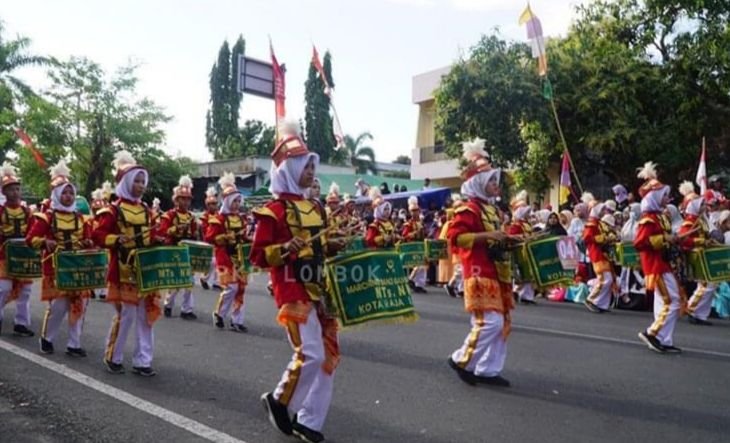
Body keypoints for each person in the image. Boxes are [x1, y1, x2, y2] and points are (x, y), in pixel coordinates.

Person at [250, 120, 345, 443]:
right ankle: (279, 400)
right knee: (312, 353)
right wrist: (284, 249)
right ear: (289, 168)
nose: (310, 172)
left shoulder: (317, 206)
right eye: (305, 166)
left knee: (328, 355)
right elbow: (259, 255)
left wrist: (332, 244)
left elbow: (318, 246)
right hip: (292, 287)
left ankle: (310, 421)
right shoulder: (272, 211)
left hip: (321, 286)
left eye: (312, 166)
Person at [446, 138, 512, 388]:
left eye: (495, 180)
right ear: (480, 183)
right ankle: (461, 359)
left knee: (501, 323)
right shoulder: (468, 209)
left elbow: (495, 238)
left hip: (497, 269)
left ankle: (488, 370)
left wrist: (508, 240)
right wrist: (488, 236)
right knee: (490, 322)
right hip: (478, 270)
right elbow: (455, 238)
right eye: (491, 181)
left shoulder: (492, 210)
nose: (496, 185)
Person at [93, 151, 161, 376]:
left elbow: (151, 236)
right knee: (128, 315)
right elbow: (98, 235)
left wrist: (158, 240)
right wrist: (116, 239)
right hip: (123, 271)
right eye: (136, 181)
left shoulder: (146, 210)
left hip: (145, 269)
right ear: (126, 183)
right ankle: (114, 355)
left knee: (146, 315)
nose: (141, 185)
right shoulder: (112, 210)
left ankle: (143, 361)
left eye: (143, 181)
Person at [27, 160, 93, 356]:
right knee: (59, 306)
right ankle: (47, 338)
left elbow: (88, 238)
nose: (68, 196)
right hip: (56, 268)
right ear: (56, 194)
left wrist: (88, 243)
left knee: (79, 304)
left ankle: (74, 344)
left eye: (71, 192)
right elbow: (31, 239)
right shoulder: (46, 217)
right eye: (64, 192)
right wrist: (45, 242)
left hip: (78, 267)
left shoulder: (81, 218)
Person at [634, 162, 683, 353]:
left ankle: (664, 339)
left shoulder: (659, 217)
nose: (667, 198)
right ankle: (653, 333)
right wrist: (666, 238)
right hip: (656, 265)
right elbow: (640, 242)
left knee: (663, 302)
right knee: (673, 301)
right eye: (663, 195)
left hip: (662, 262)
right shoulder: (648, 218)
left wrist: (673, 239)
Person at [205, 172, 250, 333]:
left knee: (241, 288)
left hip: (239, 258)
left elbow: (244, 236)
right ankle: (219, 313)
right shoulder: (219, 219)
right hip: (225, 257)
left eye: (239, 201)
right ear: (227, 201)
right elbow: (210, 237)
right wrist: (226, 237)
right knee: (231, 287)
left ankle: (237, 320)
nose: (237, 204)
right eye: (234, 201)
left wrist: (248, 240)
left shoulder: (242, 218)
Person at [0, 162, 35, 337]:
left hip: (24, 255)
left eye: (17, 189)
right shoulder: (0, 211)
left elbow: (34, 231)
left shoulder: (27, 211)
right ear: (4, 192)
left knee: (25, 291)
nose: (15, 192)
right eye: (11, 189)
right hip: (4, 255)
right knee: (3, 288)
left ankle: (21, 323)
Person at [158, 175, 198, 320]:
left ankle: (186, 309)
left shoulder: (192, 217)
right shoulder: (169, 215)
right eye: (182, 198)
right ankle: (168, 304)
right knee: (175, 281)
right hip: (174, 250)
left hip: (187, 251)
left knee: (190, 281)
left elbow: (194, 234)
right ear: (176, 200)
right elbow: (162, 232)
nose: (186, 202)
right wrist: (175, 229)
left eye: (188, 199)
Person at [677, 181, 715, 326]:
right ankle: (692, 309)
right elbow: (684, 240)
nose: (704, 207)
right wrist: (702, 242)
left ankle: (700, 314)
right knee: (706, 285)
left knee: (709, 285)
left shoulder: (700, 221)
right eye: (701, 204)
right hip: (697, 257)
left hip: (704, 256)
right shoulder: (689, 222)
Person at [583, 198, 616, 313]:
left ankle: (602, 304)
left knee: (609, 279)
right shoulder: (591, 224)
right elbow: (587, 238)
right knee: (604, 279)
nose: (603, 212)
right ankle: (591, 299)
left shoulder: (599, 223)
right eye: (601, 210)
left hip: (603, 253)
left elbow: (608, 233)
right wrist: (605, 238)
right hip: (596, 254)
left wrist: (612, 236)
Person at [508, 191, 536, 304]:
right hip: (519, 251)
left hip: (528, 250)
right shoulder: (516, 225)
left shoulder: (527, 224)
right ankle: (518, 292)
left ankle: (526, 296)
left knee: (529, 273)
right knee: (521, 273)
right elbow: (511, 236)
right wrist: (524, 237)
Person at [403, 196, 427, 293]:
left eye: (416, 210)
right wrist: (415, 233)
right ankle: (412, 279)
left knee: (424, 265)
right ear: (410, 212)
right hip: (413, 246)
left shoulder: (421, 222)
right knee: (419, 264)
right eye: (413, 211)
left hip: (421, 245)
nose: (415, 212)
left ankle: (419, 285)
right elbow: (405, 235)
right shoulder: (408, 224)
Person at [199, 186, 219, 290]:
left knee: (218, 262)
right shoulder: (205, 216)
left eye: (215, 204)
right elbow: (205, 230)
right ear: (207, 205)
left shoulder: (219, 215)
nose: (214, 206)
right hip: (208, 241)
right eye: (211, 204)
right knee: (212, 262)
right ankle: (204, 278)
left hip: (218, 242)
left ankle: (215, 282)